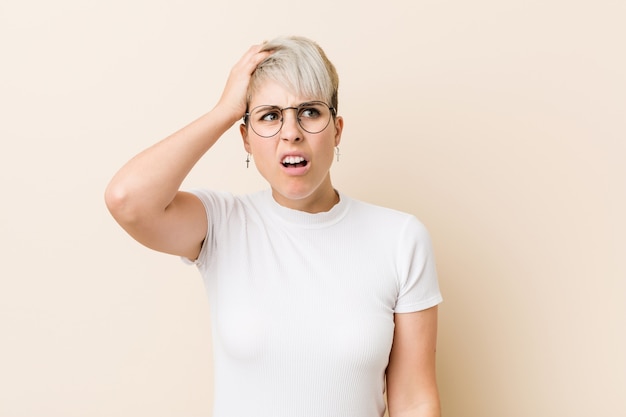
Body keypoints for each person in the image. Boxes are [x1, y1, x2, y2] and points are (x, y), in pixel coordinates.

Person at [105, 35, 443, 417]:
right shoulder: (222, 224)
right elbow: (127, 200)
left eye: (310, 112)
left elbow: (415, 402)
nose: (291, 132)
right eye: (269, 116)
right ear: (246, 138)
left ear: (337, 129)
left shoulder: (400, 239)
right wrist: (223, 111)